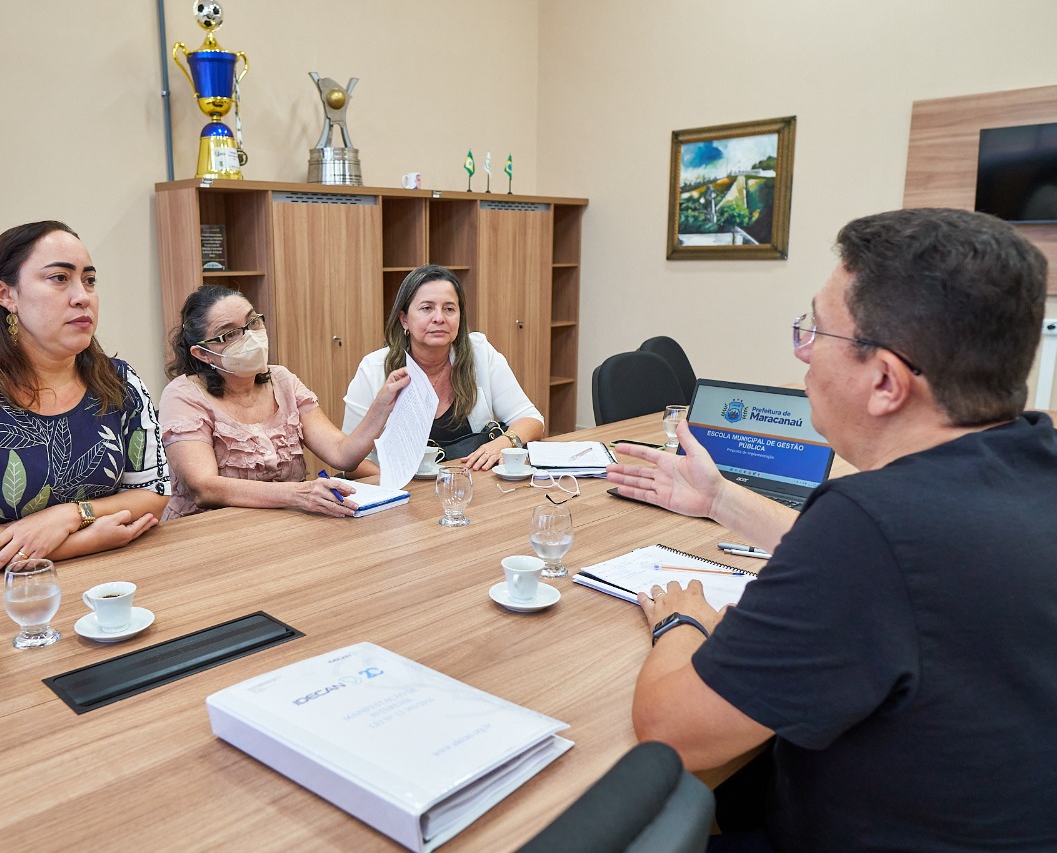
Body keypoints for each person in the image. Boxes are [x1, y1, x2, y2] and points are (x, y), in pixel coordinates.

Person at [609, 208, 1057, 852]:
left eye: (814, 330)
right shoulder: (1027, 460)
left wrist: (681, 624)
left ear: (884, 381)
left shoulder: (868, 525)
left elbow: (671, 728)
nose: (803, 352)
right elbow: (903, 573)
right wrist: (719, 500)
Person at [0, 221, 170, 571]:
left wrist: (70, 516)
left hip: (118, 574)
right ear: (5, 294)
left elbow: (153, 495)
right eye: (59, 278)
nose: (82, 296)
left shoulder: (120, 381)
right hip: (5, 593)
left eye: (89, 280)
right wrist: (80, 542)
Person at [158, 285, 409, 519]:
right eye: (229, 334)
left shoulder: (282, 380)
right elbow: (205, 487)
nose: (249, 337)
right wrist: (297, 494)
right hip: (211, 533)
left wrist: (383, 404)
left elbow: (342, 455)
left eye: (252, 322)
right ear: (202, 353)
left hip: (286, 524)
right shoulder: (184, 395)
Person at [342, 264, 543, 475]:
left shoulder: (480, 354)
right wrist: (401, 486)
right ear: (404, 320)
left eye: (449, 309)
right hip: (402, 496)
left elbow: (531, 420)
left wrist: (504, 442)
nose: (439, 318)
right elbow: (352, 462)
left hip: (469, 489)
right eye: (427, 308)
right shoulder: (373, 369)